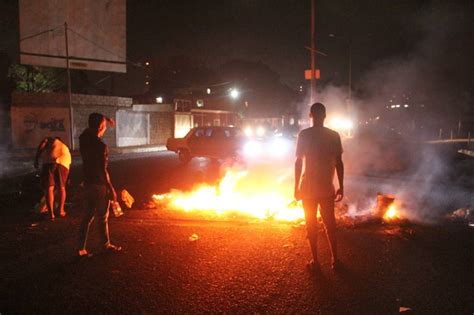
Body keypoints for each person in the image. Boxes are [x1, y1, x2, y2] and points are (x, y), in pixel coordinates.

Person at [294, 102, 344, 272]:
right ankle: (335, 259)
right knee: (330, 224)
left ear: (310, 115)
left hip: (308, 188)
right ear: (325, 115)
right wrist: (341, 186)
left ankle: (315, 261)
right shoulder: (334, 135)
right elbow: (339, 163)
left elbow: (298, 161)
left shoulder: (304, 135)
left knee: (311, 224)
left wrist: (296, 188)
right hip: (326, 188)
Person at [78, 113, 121, 257]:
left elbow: (88, 130)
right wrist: (110, 187)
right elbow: (103, 169)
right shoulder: (101, 146)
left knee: (87, 217)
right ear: (101, 126)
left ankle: (80, 249)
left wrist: (105, 119)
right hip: (99, 185)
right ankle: (105, 245)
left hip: (87, 183)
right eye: (104, 126)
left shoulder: (83, 140)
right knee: (102, 218)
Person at [34, 137, 71, 220]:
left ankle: (51, 215)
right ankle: (61, 211)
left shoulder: (52, 140)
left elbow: (44, 141)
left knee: (49, 188)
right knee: (61, 188)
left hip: (50, 161)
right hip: (64, 162)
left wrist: (36, 158)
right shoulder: (65, 148)